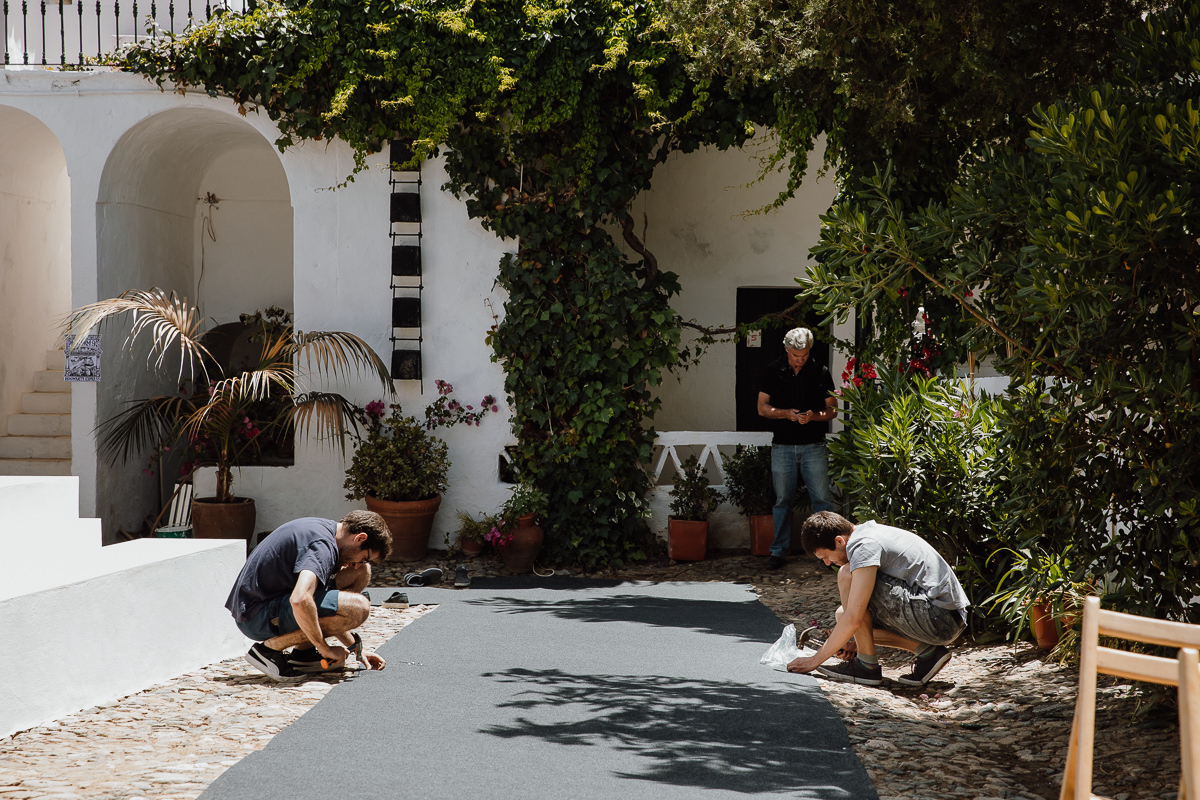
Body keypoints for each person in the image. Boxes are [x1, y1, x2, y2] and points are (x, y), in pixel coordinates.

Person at [786, 511, 968, 686]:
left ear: (839, 541)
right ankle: (928, 653)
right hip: (945, 618)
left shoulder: (863, 545)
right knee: (843, 614)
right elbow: (851, 617)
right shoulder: (866, 533)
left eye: (826, 556)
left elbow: (854, 619)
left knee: (846, 575)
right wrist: (855, 643)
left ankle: (866, 666)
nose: (827, 563)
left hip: (939, 616)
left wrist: (814, 660)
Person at [225, 510, 393, 680]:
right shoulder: (322, 546)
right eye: (364, 558)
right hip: (257, 617)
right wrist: (324, 648)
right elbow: (300, 599)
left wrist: (354, 648)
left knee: (362, 573)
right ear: (360, 538)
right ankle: (268, 651)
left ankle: (303, 654)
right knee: (358, 607)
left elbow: (327, 609)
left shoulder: (328, 532)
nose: (357, 565)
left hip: (268, 604)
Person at [757, 327, 837, 569]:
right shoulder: (773, 370)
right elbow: (762, 407)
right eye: (795, 355)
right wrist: (785, 414)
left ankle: (830, 554)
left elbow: (832, 409)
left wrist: (813, 417)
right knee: (782, 500)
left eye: (803, 355)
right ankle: (779, 552)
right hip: (782, 445)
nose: (800, 360)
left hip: (813, 445)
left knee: (822, 500)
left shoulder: (820, 370)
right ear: (786, 350)